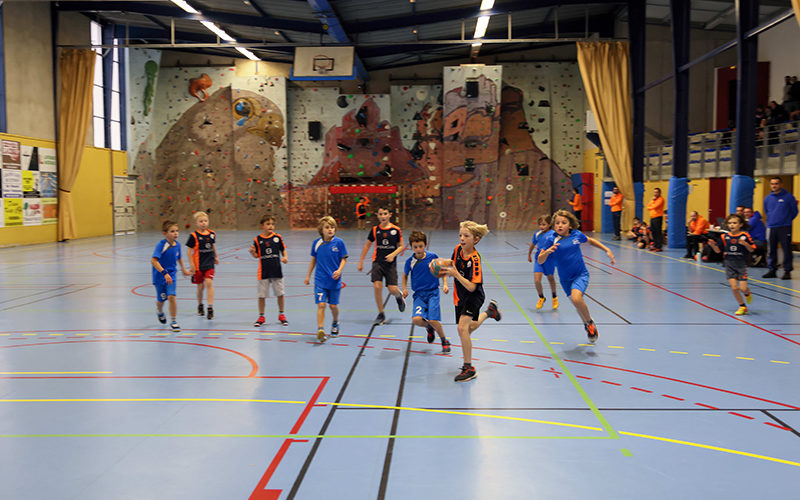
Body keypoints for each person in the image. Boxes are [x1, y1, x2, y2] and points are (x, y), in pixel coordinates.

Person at [538, 210, 616, 344]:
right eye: (557, 223)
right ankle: (586, 323)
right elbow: (540, 260)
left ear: (570, 225)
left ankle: (590, 323)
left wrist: (606, 249)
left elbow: (591, 241)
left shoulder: (576, 235)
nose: (560, 225)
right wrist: (548, 252)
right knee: (576, 304)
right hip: (565, 279)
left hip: (580, 274)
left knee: (576, 298)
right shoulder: (551, 239)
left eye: (563, 223)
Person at [445, 220, 502, 382]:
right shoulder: (457, 250)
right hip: (460, 296)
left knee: (462, 329)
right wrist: (438, 266)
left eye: (466, 236)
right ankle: (490, 312)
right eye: (460, 235)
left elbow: (471, 287)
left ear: (475, 239)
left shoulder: (475, 260)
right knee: (469, 328)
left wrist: (455, 274)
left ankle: (469, 368)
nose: (462, 238)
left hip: (473, 295)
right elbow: (450, 264)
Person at [401, 231, 451, 353]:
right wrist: (404, 288)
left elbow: (443, 269)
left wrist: (445, 284)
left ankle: (444, 340)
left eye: (421, 246)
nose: (418, 249)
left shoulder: (432, 256)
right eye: (415, 247)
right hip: (419, 295)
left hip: (433, 293)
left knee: (434, 320)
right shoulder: (410, 261)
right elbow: (404, 275)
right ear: (411, 247)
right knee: (416, 320)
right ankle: (429, 327)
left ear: (425, 245)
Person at [357, 206, 406, 325]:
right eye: (380, 214)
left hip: (390, 264)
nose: (383, 216)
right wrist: (361, 261)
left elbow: (401, 246)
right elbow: (367, 245)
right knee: (377, 286)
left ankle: (399, 296)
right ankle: (381, 314)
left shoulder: (396, 230)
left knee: (392, 289)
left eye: (385, 213)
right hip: (377, 262)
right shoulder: (375, 230)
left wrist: (392, 255)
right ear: (377, 216)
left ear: (389, 215)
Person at [305, 216, 348, 343]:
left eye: (332, 227)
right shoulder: (317, 243)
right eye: (327, 227)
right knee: (321, 304)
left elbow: (344, 258)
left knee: (333, 306)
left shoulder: (339, 243)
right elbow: (314, 260)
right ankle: (320, 330)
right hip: (320, 280)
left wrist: (339, 271)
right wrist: (308, 275)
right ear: (321, 229)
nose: (330, 229)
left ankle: (335, 323)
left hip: (334, 281)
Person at [707, 214, 755, 315]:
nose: (732, 225)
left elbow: (752, 249)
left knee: (743, 288)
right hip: (729, 264)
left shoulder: (745, 235)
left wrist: (745, 244)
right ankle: (742, 306)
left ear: (740, 224)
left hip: (741, 265)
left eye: (734, 223)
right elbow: (718, 251)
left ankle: (747, 293)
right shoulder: (724, 236)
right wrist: (713, 245)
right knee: (734, 287)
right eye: (729, 223)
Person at [151, 220, 191, 332]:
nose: (175, 233)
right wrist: (164, 273)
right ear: (165, 233)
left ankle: (173, 321)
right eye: (172, 231)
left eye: (177, 231)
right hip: (160, 276)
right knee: (161, 300)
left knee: (171, 297)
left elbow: (179, 257)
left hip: (172, 275)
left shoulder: (177, 245)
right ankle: (159, 311)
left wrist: (183, 268)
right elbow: (154, 261)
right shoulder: (161, 245)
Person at [250, 214, 288, 327]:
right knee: (262, 295)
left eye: (272, 224)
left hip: (276, 270)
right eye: (268, 224)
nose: (271, 226)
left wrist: (285, 257)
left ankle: (281, 314)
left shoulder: (277, 237)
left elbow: (283, 249)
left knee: (280, 293)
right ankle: (261, 316)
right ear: (262, 226)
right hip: (263, 271)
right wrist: (252, 252)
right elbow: (257, 255)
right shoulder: (257, 239)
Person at [763, 177, 798, 279]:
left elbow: (794, 211)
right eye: (772, 184)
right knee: (771, 249)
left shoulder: (789, 197)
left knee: (786, 249)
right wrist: (771, 221)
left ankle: (787, 271)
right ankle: (772, 269)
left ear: (781, 184)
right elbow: (767, 211)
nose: (774, 185)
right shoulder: (767, 198)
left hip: (784, 227)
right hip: (771, 227)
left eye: (776, 183)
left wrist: (785, 220)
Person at [186, 211, 218, 320]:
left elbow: (213, 246)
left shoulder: (212, 234)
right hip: (198, 265)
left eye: (205, 221)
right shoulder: (193, 236)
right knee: (200, 287)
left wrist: (216, 256)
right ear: (196, 223)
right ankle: (200, 305)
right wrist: (191, 264)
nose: (203, 223)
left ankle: (210, 308)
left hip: (209, 263)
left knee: (209, 282)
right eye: (201, 221)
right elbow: (189, 251)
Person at [527, 215, 558, 310]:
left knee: (550, 278)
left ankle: (554, 297)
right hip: (539, 258)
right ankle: (541, 297)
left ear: (549, 224)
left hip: (549, 259)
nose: (541, 226)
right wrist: (529, 254)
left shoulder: (554, 234)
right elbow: (533, 243)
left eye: (544, 224)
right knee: (537, 280)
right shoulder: (537, 234)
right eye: (540, 224)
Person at [647, 187, 665, 252]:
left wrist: (652, 203)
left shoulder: (661, 199)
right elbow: (648, 207)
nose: (655, 193)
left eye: (657, 192)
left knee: (658, 232)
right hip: (652, 217)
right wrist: (652, 201)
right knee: (653, 232)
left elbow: (655, 206)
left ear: (659, 193)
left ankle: (659, 246)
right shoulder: (653, 200)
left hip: (658, 217)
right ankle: (655, 245)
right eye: (654, 192)